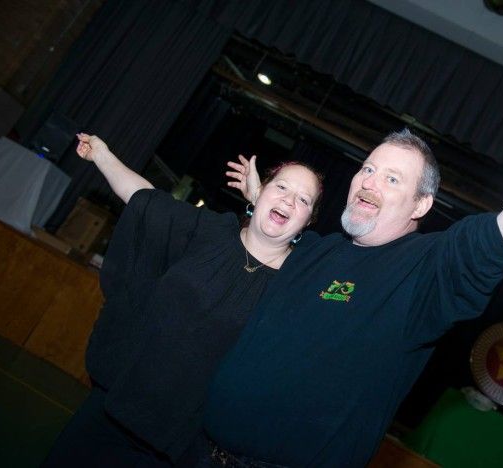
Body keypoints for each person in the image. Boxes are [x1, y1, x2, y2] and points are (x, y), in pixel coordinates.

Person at [195, 19, 503, 467]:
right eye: (368, 169)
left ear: (420, 205)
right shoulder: (316, 250)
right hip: (198, 449)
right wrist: (264, 198)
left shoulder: (427, 269)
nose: (370, 183)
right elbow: (260, 250)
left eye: (392, 178)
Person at [42, 135, 323, 467]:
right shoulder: (208, 231)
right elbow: (144, 199)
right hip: (112, 410)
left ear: (308, 221)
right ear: (260, 191)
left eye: (303, 200)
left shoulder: (296, 288)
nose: (290, 201)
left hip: (178, 447)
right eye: (282, 188)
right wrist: (102, 155)